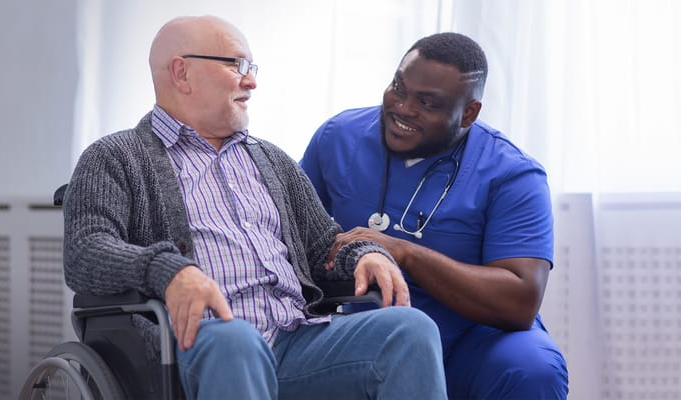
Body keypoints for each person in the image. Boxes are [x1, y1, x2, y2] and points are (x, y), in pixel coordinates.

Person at [62, 15, 447, 400]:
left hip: (296, 339)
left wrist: (363, 255)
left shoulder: (273, 160)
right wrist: (169, 271)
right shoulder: (115, 157)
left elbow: (323, 246)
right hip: (198, 345)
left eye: (252, 68)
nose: (251, 81)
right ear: (182, 73)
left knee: (410, 330)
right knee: (237, 342)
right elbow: (85, 251)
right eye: (237, 65)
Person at [300, 32, 569, 399]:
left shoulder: (513, 174)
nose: (403, 108)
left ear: (469, 113)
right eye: (398, 87)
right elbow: (291, 237)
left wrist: (405, 253)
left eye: (427, 102)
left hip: (468, 340)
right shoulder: (338, 138)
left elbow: (519, 301)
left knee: (532, 368)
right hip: (361, 328)